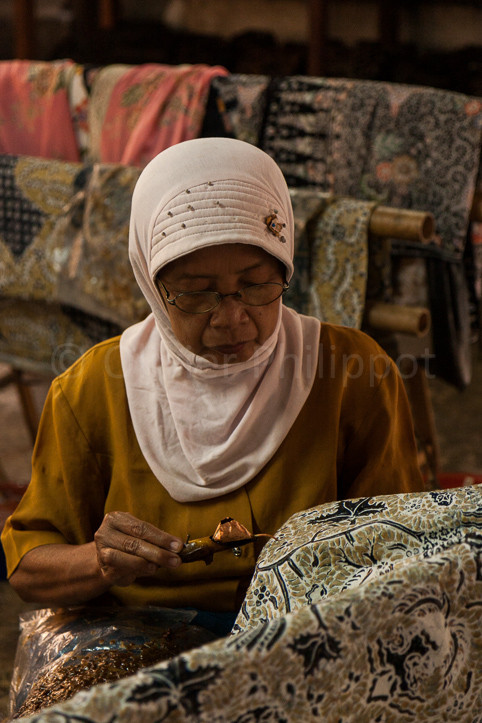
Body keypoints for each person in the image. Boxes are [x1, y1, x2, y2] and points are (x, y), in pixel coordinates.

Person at [1, 137, 424, 629]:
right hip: (142, 644)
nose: (232, 318)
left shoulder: (354, 371)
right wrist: (97, 562)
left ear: (286, 265)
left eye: (257, 284)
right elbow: (28, 566)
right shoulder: (90, 390)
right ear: (152, 286)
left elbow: (399, 545)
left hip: (312, 632)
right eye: (196, 294)